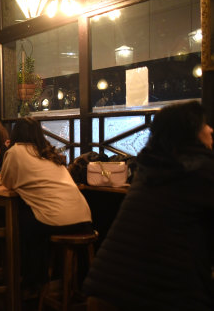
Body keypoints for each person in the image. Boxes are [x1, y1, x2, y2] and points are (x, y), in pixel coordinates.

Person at [83, 101, 214, 310]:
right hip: (153, 297)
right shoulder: (199, 169)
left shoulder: (148, 169)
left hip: (103, 291)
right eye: (204, 124)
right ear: (190, 132)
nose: (210, 129)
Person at [0, 117, 92, 292]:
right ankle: (59, 281)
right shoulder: (48, 152)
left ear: (15, 132)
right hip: (84, 218)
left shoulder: (15, 152)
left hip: (57, 221)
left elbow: (7, 182)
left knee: (23, 221)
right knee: (32, 217)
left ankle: (34, 279)